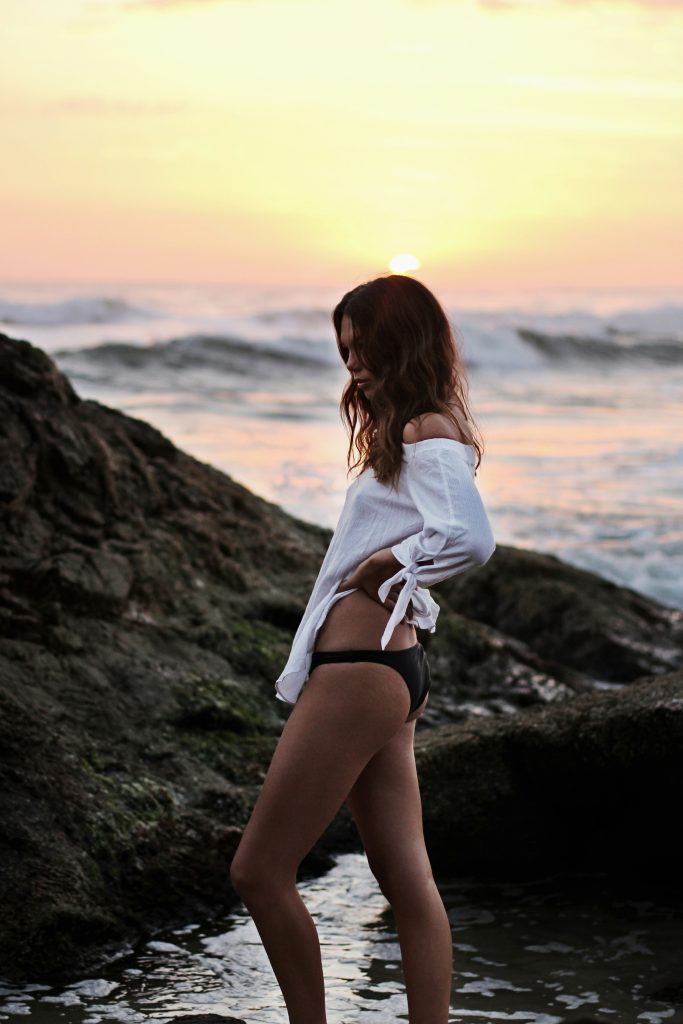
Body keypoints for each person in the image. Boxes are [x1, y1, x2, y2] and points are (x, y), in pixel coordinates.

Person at [230, 274, 496, 1024]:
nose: (352, 365)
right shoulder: (413, 429)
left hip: (361, 674)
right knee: (405, 878)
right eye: (344, 350)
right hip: (384, 672)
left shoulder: (423, 430)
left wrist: (388, 563)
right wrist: (395, 562)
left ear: (402, 342)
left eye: (364, 347)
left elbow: (469, 539)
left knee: (258, 870)